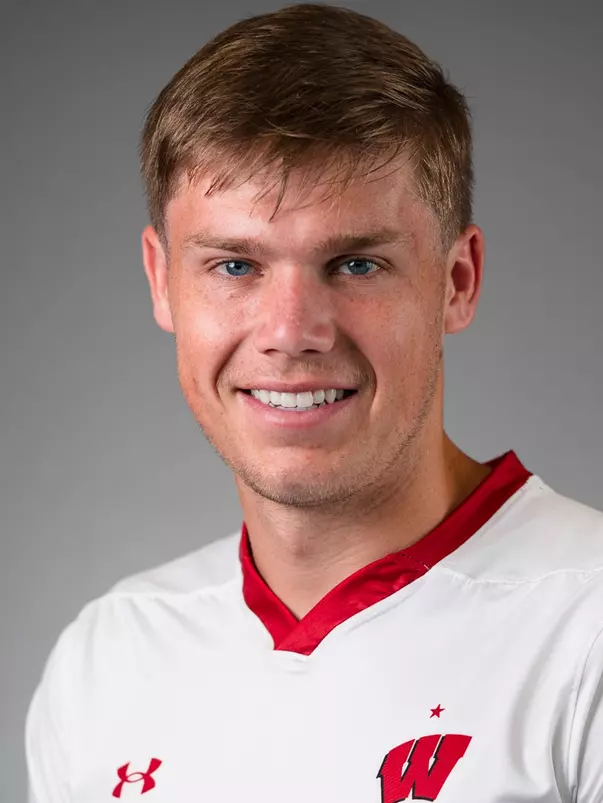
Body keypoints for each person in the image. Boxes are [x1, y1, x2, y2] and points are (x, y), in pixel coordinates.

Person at [25, 4, 603, 802]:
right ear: (162, 280)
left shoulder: (584, 627)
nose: (290, 332)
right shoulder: (107, 658)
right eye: (234, 265)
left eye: (356, 264)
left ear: (456, 282)